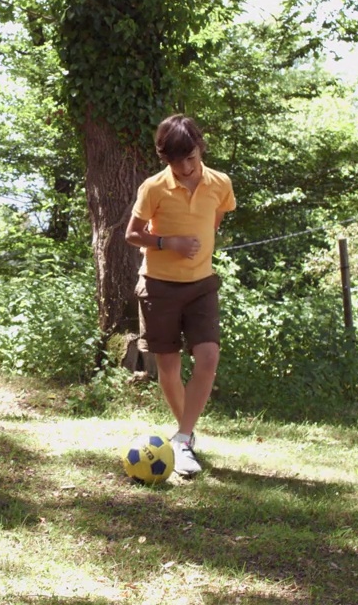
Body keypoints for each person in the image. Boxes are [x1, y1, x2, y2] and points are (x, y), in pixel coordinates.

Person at [124, 114, 236, 477]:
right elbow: (132, 234)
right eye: (177, 161)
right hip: (158, 285)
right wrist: (166, 242)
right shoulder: (153, 188)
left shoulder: (220, 183)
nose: (186, 167)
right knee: (169, 369)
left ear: (200, 147)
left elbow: (215, 220)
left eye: (191, 157)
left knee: (208, 358)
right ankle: (184, 436)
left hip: (202, 284)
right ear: (165, 159)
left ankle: (183, 436)